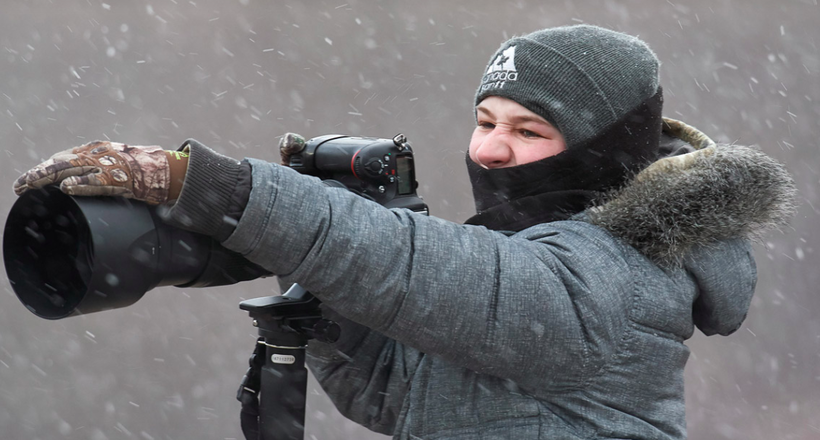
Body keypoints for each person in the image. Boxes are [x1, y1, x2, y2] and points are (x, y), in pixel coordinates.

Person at [14, 25, 796, 439]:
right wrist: (327, 307)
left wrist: (214, 189)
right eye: (486, 120)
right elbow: (403, 398)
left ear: (604, 150)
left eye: (530, 130)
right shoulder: (527, 274)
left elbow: (419, 273)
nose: (490, 149)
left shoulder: (621, 282)